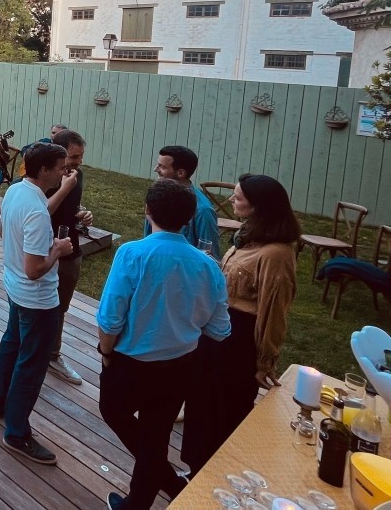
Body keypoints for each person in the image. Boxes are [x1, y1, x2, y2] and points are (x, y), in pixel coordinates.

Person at [97, 180, 231, 510]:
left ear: (147, 211)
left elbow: (111, 317)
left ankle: (167, 487)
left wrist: (106, 351)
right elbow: (219, 329)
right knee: (155, 433)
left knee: (114, 411)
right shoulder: (209, 266)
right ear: (188, 220)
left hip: (131, 363)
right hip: (182, 364)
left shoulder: (132, 253)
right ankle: (141, 501)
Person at [181, 173, 300, 476]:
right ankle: (196, 470)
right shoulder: (250, 238)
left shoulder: (277, 253)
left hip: (238, 342)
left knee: (224, 410)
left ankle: (216, 475)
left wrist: (265, 362)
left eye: (238, 196)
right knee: (201, 403)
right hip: (215, 334)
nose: (232, 200)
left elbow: (274, 311)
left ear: (259, 205)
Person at [0, 142, 74, 465]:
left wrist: (39, 241)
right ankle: (17, 432)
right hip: (37, 300)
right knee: (31, 363)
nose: (65, 172)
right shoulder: (36, 211)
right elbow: (34, 269)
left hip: (14, 289)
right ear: (44, 170)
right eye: (61, 167)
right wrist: (58, 250)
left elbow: (1, 232)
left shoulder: (16, 194)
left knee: (11, 344)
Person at [43, 128, 94, 386]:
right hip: (42, 251)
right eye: (74, 157)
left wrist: (82, 214)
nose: (78, 162)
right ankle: (31, 356)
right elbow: (41, 212)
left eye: (81, 156)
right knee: (37, 307)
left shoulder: (77, 176)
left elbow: (68, 209)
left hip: (70, 250)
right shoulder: (44, 177)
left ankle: (53, 355)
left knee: (60, 307)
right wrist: (64, 188)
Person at [141, 145, 220, 258]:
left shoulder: (202, 210)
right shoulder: (156, 198)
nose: (155, 169)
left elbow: (212, 257)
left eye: (162, 167)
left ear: (181, 173)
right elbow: (148, 239)